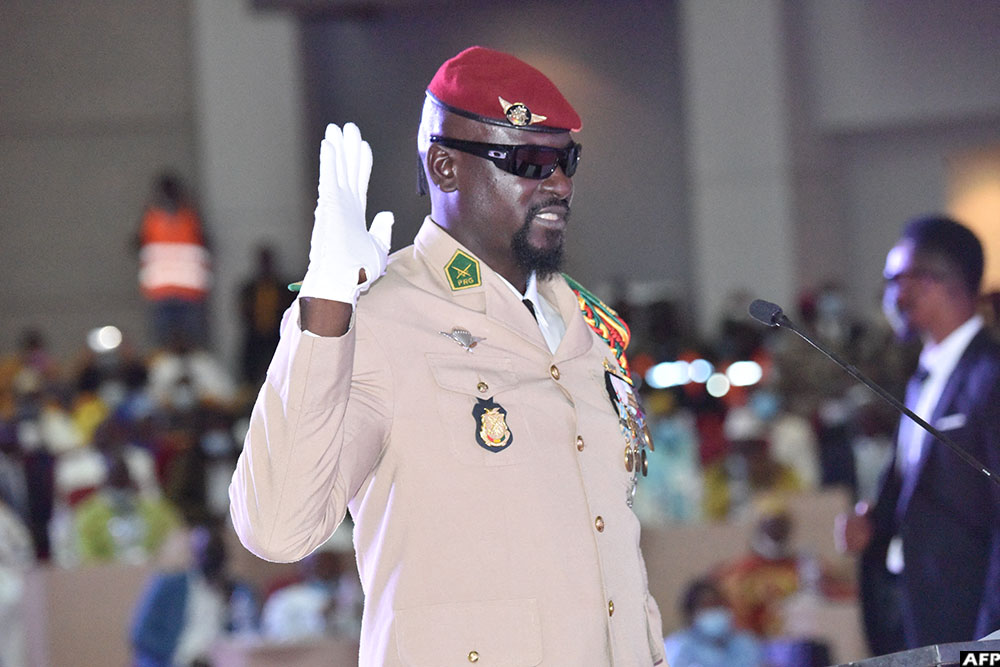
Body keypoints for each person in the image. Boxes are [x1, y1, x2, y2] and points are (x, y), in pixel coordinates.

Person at [230, 46, 665, 665]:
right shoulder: (375, 318)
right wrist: (327, 296)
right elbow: (277, 528)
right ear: (445, 166)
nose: (560, 184)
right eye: (530, 162)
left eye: (566, 160)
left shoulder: (585, 326)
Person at [837, 216, 1000, 651]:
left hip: (972, 621)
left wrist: (989, 643)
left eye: (895, 280)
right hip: (914, 611)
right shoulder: (921, 376)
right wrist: (875, 526)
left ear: (932, 282)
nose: (889, 296)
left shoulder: (991, 376)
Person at [130, 523, 257, 667]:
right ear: (195, 554)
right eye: (207, 553)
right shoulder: (170, 585)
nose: (211, 559)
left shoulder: (237, 591)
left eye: (216, 554)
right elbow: (141, 633)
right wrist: (176, 654)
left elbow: (246, 632)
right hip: (173, 660)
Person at [136, 171, 212, 349]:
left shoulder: (190, 217)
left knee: (193, 342)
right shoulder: (151, 218)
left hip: (189, 293)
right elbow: (139, 243)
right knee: (163, 342)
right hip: (161, 292)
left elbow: (205, 243)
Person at [662, 577, 764, 667]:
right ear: (692, 613)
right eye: (706, 606)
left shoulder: (745, 644)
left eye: (717, 605)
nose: (714, 611)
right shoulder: (677, 648)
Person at [237, 244, 294, 387]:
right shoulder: (250, 288)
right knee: (249, 372)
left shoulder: (283, 288)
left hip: (277, 335)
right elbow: (243, 311)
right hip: (255, 335)